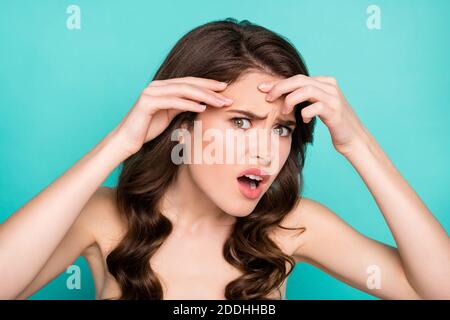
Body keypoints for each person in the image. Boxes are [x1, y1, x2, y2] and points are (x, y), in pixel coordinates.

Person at [1, 18, 449, 300]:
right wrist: (120, 142)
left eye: (281, 129)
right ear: (182, 125)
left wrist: (357, 144)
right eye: (240, 122)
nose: (265, 151)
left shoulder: (293, 226)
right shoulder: (103, 215)